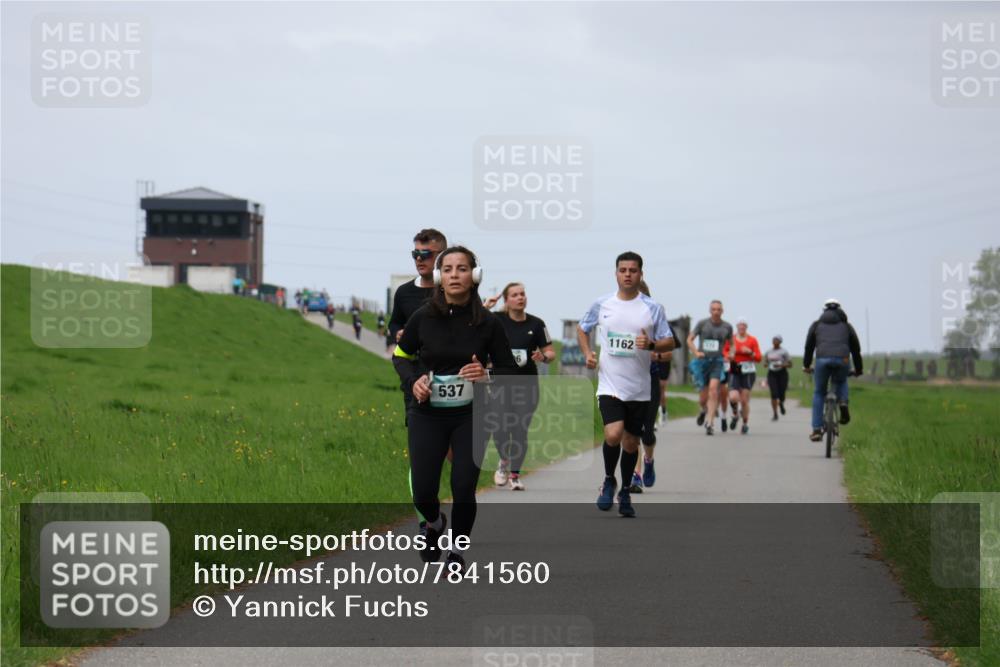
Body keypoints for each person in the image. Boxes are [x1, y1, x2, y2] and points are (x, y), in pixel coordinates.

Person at [392, 246, 516, 571]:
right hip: (427, 413)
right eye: (447, 269)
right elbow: (401, 356)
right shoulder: (423, 317)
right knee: (423, 491)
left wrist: (486, 374)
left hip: (472, 414)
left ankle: (457, 553)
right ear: (439, 277)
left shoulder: (488, 323)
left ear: (474, 276)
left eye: (462, 268)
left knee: (463, 486)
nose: (454, 275)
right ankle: (434, 524)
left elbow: (508, 369)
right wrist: (414, 382)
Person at [578, 252, 674, 518]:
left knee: (631, 443)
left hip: (639, 388)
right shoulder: (602, 304)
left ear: (641, 274)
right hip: (610, 384)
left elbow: (669, 342)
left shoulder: (653, 308)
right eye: (623, 270)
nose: (628, 274)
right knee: (613, 434)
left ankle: (625, 492)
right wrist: (587, 353)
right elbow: (582, 328)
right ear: (616, 273)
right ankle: (609, 479)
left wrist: (652, 344)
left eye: (633, 270)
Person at [489, 282, 554, 491]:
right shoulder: (496, 320)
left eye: (522, 294)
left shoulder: (536, 324)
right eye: (515, 295)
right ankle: (504, 460)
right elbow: (472, 322)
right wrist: (486, 306)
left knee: (519, 429)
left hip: (527, 386)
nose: (520, 298)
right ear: (506, 300)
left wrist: (543, 357)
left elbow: (551, 352)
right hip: (500, 384)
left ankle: (515, 475)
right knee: (499, 428)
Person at [803, 298, 864, 442]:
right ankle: (843, 402)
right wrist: (858, 369)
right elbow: (856, 349)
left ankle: (816, 430)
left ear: (824, 310)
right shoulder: (847, 326)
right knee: (841, 380)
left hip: (822, 360)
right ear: (840, 310)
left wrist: (806, 365)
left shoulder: (816, 325)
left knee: (819, 392)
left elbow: (809, 347)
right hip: (843, 360)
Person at [687, 301, 734, 436]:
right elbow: (689, 339)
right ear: (710, 310)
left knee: (713, 391)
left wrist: (730, 354)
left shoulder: (727, 326)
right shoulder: (702, 324)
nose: (716, 312)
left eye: (718, 309)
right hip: (702, 363)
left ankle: (710, 423)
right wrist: (696, 352)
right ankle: (703, 410)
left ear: (722, 311)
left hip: (717, 362)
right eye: (714, 309)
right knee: (703, 399)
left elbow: (732, 344)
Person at [726, 318, 762, 435]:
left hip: (748, 371)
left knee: (744, 400)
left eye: (744, 325)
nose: (741, 327)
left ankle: (745, 424)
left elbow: (759, 358)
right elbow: (724, 351)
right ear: (737, 326)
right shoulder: (731, 339)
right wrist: (729, 355)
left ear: (746, 327)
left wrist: (750, 352)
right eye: (740, 325)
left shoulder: (752, 340)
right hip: (734, 369)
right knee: (733, 397)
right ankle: (735, 414)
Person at [765, 335, 792, 421]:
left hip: (782, 374)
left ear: (780, 342)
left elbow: (790, 364)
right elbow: (766, 361)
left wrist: (781, 365)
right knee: (774, 394)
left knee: (781, 393)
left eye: (777, 340)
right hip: (772, 374)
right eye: (774, 340)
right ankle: (775, 414)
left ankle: (781, 403)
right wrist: (766, 364)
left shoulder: (784, 352)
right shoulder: (768, 351)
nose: (775, 342)